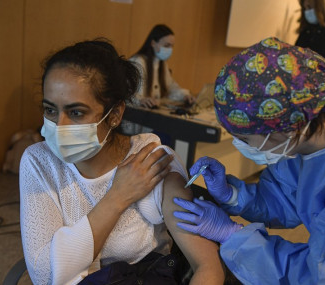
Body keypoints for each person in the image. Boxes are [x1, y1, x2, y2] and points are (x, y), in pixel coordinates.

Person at [172, 37, 325, 284]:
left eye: (244, 138)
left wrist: (233, 236)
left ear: (283, 130)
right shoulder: (320, 125)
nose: (242, 145)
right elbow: (289, 195)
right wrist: (232, 195)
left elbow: (322, 278)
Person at [19, 39, 225, 285]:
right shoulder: (39, 161)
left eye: (76, 113)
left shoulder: (149, 159)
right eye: (50, 110)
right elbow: (44, 277)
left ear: (114, 114)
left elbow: (207, 266)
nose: (59, 126)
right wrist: (118, 196)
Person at [121, 24, 196, 138]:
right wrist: (140, 100)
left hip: (151, 122)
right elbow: (124, 93)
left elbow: (171, 88)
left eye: (171, 46)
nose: (169, 49)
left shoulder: (161, 63)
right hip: (134, 126)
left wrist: (185, 95)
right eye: (166, 45)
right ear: (153, 43)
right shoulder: (137, 62)